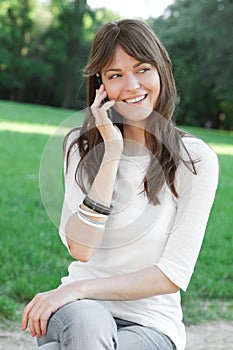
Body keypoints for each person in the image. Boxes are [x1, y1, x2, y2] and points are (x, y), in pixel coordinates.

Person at [21, 19, 219, 350]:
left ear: (161, 72)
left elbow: (171, 275)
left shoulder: (195, 160)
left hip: (152, 325)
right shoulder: (79, 146)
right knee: (88, 325)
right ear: (102, 86)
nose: (131, 85)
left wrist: (75, 289)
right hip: (77, 314)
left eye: (142, 69)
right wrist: (111, 151)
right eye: (115, 75)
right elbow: (82, 249)